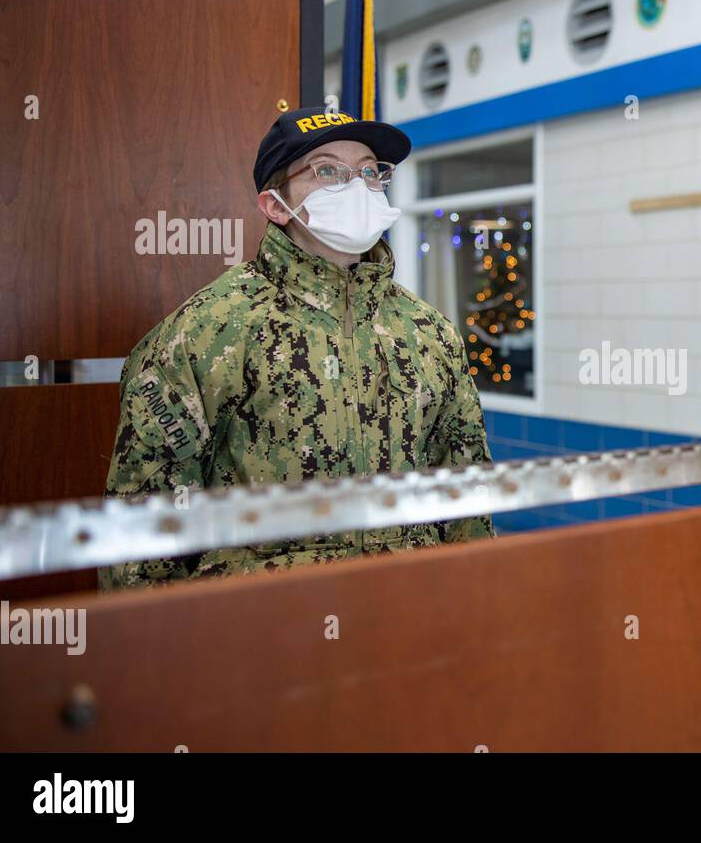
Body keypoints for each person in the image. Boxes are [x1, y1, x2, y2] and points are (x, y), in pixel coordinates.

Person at [100, 107, 494, 589]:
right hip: (263, 631)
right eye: (328, 170)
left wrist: (478, 615)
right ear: (275, 205)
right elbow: (143, 527)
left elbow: (467, 498)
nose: (357, 186)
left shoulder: (429, 332)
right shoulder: (209, 331)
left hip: (404, 618)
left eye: (371, 172)